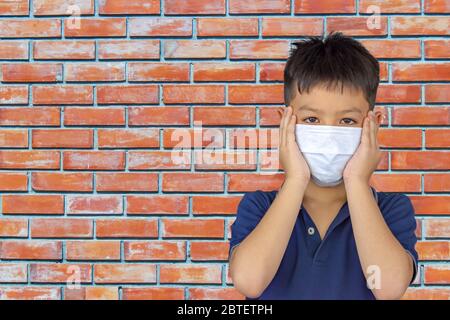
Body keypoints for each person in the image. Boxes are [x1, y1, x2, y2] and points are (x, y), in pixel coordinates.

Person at [228, 31, 418, 300]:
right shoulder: (259, 207)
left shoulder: (390, 209)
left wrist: (357, 181)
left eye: (347, 121)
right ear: (285, 121)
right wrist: (295, 179)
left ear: (373, 124)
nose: (329, 135)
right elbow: (249, 281)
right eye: (312, 119)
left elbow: (388, 289)